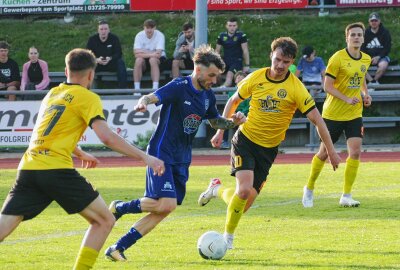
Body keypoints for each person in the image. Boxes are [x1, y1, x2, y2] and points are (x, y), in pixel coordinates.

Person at [0, 48, 165, 270]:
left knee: (5, 224)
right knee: (104, 220)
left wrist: (78, 152)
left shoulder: (52, 93)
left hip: (29, 166)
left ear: (66, 70)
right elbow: (107, 138)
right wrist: (146, 157)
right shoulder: (88, 97)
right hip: (56, 169)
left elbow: (46, 131)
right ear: (91, 75)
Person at [104, 45, 246, 262]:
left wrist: (230, 123)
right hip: (163, 152)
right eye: (211, 75)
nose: (214, 80)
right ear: (198, 70)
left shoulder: (207, 95)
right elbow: (154, 97)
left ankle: (118, 247)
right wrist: (143, 102)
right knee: (167, 204)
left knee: (164, 208)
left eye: (216, 76)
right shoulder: (179, 86)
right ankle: (119, 208)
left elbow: (214, 120)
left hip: (182, 158)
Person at [198, 37, 341, 249]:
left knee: (243, 203)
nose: (280, 65)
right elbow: (233, 101)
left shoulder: (295, 88)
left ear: (292, 61)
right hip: (245, 140)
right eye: (277, 60)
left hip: (269, 150)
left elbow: (318, 120)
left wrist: (331, 151)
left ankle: (216, 189)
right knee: (244, 190)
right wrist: (221, 131)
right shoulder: (256, 78)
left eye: (286, 61)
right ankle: (227, 239)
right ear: (271, 56)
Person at [302, 22, 372, 208]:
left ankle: (346, 195)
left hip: (354, 114)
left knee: (355, 152)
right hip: (332, 114)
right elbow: (327, 86)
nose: (356, 37)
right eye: (353, 35)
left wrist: (365, 94)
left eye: (359, 34)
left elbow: (361, 78)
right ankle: (309, 188)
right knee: (324, 153)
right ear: (347, 38)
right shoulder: (337, 58)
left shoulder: (366, 59)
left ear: (363, 38)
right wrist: (346, 98)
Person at [86, 20, 128, 88]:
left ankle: (123, 89)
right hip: (97, 64)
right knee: (87, 65)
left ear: (109, 30)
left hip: (110, 63)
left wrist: (110, 58)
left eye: (105, 29)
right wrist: (96, 59)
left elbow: (119, 53)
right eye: (101, 29)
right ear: (98, 30)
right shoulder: (92, 40)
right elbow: (87, 54)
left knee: (120, 63)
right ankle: (88, 89)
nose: (103, 31)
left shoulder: (114, 38)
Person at [216, 17, 250, 87]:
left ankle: (219, 90)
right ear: (226, 26)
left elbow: (245, 50)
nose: (232, 28)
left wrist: (247, 65)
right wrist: (215, 64)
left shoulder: (241, 35)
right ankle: (219, 90)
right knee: (215, 73)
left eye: (234, 26)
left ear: (237, 26)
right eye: (230, 26)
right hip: (225, 61)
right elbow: (217, 51)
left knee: (229, 76)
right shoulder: (222, 36)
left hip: (236, 61)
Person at [133, 19, 166, 90]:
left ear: (155, 28)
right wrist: (152, 53)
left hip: (159, 60)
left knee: (153, 60)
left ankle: (155, 88)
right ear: (144, 28)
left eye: (151, 28)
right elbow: (136, 54)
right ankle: (136, 89)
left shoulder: (160, 35)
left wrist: (143, 51)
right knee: (138, 60)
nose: (149, 30)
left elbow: (158, 54)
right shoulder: (139, 35)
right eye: (147, 28)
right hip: (145, 61)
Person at [361, 12, 392, 85]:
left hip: (381, 57)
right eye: (372, 21)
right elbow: (362, 48)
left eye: (376, 20)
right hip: (368, 57)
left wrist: (378, 57)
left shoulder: (385, 32)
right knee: (359, 65)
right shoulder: (365, 33)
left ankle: (373, 82)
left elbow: (387, 48)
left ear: (379, 21)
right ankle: (372, 82)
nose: (374, 22)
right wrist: (369, 58)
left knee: (384, 65)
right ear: (369, 22)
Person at [221, 71, 249, 149]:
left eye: (241, 76)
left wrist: (242, 113)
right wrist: (235, 112)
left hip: (245, 114)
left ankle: (246, 143)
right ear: (235, 81)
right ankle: (224, 141)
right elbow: (230, 104)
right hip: (234, 113)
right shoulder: (231, 92)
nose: (239, 78)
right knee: (226, 119)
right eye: (237, 77)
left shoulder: (248, 91)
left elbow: (249, 105)